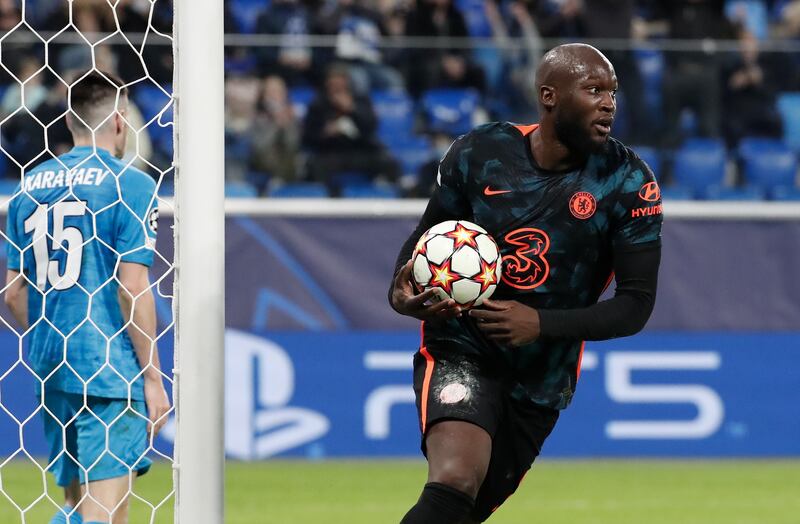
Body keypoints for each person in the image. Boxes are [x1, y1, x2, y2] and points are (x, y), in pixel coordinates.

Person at [389, 44, 662, 523]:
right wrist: (402, 289)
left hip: (540, 377)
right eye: (594, 90)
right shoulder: (479, 153)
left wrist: (540, 323)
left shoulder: (628, 182)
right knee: (454, 479)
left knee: (461, 510)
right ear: (550, 96)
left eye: (613, 92)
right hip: (461, 347)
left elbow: (636, 305)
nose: (609, 103)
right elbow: (427, 238)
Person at [4, 70, 170, 524]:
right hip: (109, 370)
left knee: (88, 508)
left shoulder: (28, 186)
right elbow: (131, 286)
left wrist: (47, 341)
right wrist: (152, 376)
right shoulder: (131, 184)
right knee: (100, 514)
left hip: (52, 364)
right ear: (119, 121)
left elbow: (14, 292)